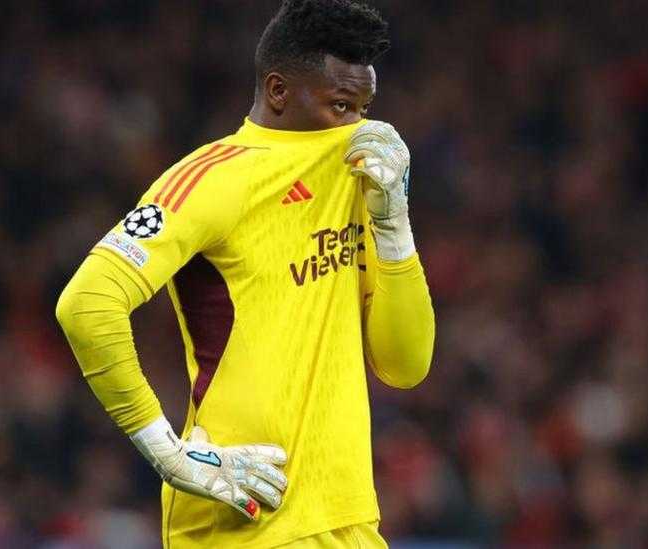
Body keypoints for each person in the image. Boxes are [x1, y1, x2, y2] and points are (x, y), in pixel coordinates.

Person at [54, 0, 435, 546]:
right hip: (242, 513)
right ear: (279, 91)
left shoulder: (361, 176)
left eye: (364, 107)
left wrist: (394, 226)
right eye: (341, 105)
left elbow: (406, 365)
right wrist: (168, 453)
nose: (357, 125)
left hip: (346, 518)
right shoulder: (213, 179)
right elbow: (87, 304)